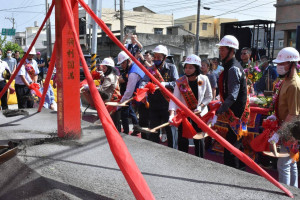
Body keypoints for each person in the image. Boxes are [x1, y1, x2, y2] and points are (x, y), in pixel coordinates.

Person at [214, 35, 249, 170]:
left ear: (231, 51)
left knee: (232, 147)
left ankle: (234, 173)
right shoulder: (230, 67)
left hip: (237, 114)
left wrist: (219, 110)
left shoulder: (233, 68)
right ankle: (240, 170)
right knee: (236, 145)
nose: (220, 52)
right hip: (234, 112)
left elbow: (233, 95)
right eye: (220, 49)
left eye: (223, 49)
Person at [169, 54, 212, 157]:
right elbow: (174, 99)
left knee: (199, 139)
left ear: (197, 68)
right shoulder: (180, 81)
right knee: (183, 139)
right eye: (186, 67)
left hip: (199, 114)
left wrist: (200, 106)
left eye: (190, 67)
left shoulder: (204, 79)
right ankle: (183, 160)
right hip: (184, 115)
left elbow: (209, 96)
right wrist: (172, 114)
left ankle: (200, 160)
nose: (187, 70)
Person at [147, 45, 179, 147]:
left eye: (159, 57)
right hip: (154, 104)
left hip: (167, 105)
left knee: (170, 131)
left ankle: (173, 152)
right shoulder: (151, 70)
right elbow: (144, 81)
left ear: (164, 58)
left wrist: (165, 84)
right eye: (154, 57)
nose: (156, 59)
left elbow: (177, 83)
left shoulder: (171, 68)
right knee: (153, 132)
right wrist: (144, 87)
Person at [117, 51, 145, 134]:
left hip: (143, 97)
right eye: (121, 64)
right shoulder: (134, 66)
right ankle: (136, 130)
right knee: (132, 113)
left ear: (128, 60)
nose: (122, 65)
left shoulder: (133, 73)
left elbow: (129, 91)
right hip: (139, 96)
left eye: (123, 63)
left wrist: (120, 104)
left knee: (143, 121)